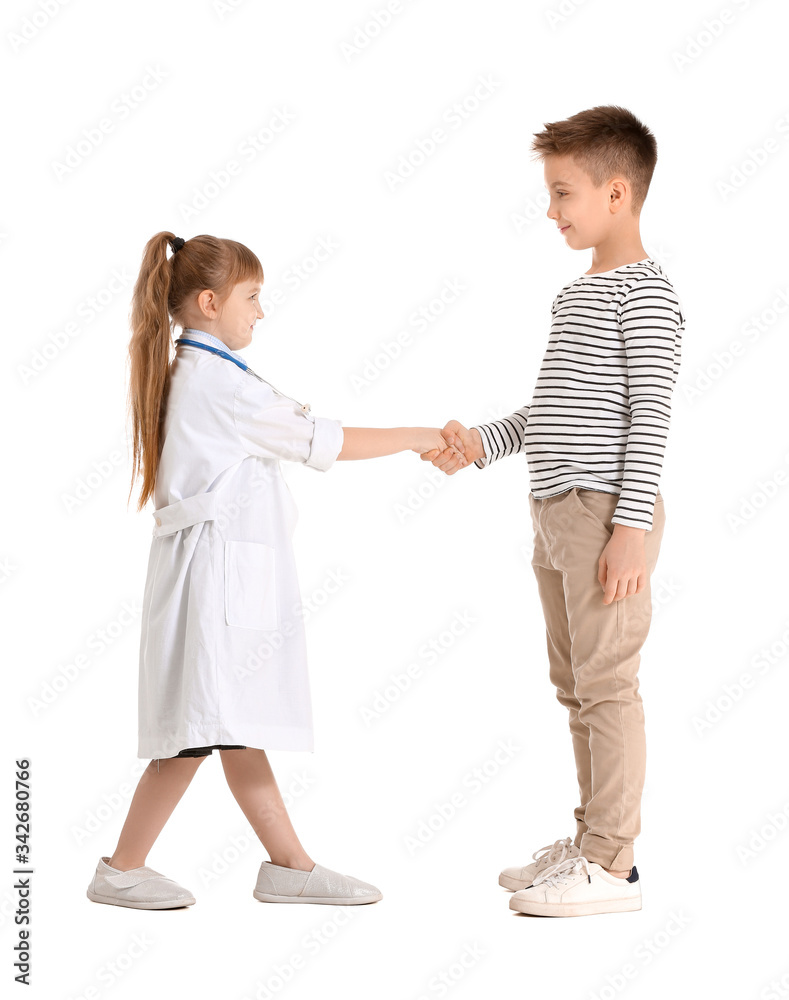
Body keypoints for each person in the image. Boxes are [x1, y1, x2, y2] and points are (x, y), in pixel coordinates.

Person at [86, 231, 465, 911]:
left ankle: (288, 865)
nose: (261, 312)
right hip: (213, 587)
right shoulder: (218, 386)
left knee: (227, 725)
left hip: (217, 581)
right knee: (200, 730)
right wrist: (421, 436)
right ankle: (123, 867)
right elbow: (325, 440)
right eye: (252, 297)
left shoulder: (207, 374)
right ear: (208, 303)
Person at [421, 105, 685, 917]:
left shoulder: (645, 295)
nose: (551, 210)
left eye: (562, 192)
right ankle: (588, 842)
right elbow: (549, 411)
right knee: (574, 684)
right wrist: (483, 443)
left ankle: (610, 865)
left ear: (616, 193)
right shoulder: (578, 294)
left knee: (607, 684)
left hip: (608, 512)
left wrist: (630, 528)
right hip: (556, 512)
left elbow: (650, 414)